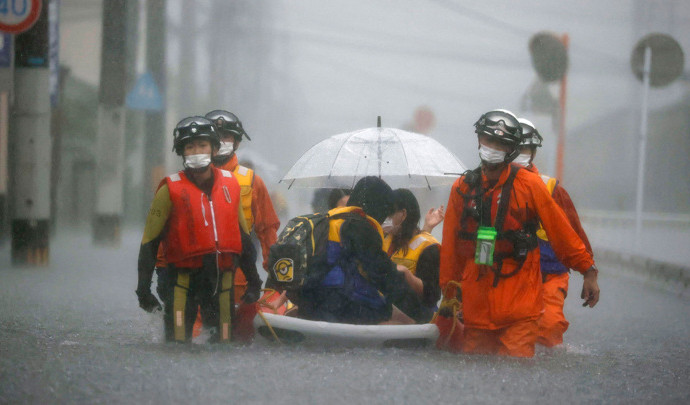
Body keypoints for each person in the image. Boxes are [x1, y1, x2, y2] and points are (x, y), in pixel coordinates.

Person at [439, 109, 600, 358]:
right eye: (488, 139)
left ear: (511, 149)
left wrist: (588, 270)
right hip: (477, 303)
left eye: (500, 143)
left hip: (519, 302)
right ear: (479, 140)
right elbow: (451, 246)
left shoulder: (530, 185)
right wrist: (450, 295)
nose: (492, 147)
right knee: (475, 372)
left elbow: (562, 233)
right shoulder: (462, 188)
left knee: (516, 372)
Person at [136, 116, 261, 343]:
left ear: (214, 148)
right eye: (189, 146)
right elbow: (149, 242)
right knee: (178, 343)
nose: (196, 151)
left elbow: (243, 237)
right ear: (181, 152)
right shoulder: (169, 189)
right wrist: (143, 289)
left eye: (202, 145)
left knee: (224, 344)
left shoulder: (231, 184)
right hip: (182, 281)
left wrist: (254, 280)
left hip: (221, 281)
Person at [514, 117, 595, 347]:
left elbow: (574, 235)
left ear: (533, 153)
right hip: (509, 277)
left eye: (524, 148)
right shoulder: (490, 186)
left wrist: (589, 272)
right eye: (515, 148)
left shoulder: (550, 188)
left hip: (549, 276)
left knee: (548, 329)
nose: (519, 153)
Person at [297, 176, 423, 324]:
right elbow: (383, 275)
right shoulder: (361, 226)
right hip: (340, 304)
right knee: (402, 321)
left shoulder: (329, 219)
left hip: (310, 301)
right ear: (378, 205)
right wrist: (418, 311)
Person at [204, 110, 281, 299]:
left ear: (236, 142)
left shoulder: (252, 181)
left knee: (233, 327)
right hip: (196, 280)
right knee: (194, 328)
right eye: (214, 136)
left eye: (225, 136)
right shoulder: (187, 181)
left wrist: (274, 276)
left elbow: (267, 232)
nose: (220, 140)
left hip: (238, 282)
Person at [382, 189, 444, 323]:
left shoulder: (429, 247)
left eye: (389, 213)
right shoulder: (385, 238)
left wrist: (406, 275)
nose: (385, 218)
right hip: (386, 311)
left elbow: (432, 296)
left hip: (416, 316)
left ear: (403, 214)